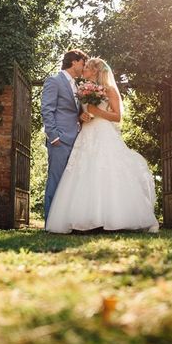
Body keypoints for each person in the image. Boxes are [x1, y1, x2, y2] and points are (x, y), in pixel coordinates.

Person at [45, 57, 159, 234]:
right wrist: (82, 117)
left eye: (88, 67)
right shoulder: (82, 90)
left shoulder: (110, 90)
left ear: (95, 71)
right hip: (86, 134)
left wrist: (97, 112)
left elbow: (117, 117)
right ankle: (87, 219)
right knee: (84, 173)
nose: (84, 69)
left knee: (106, 171)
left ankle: (113, 217)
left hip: (104, 133)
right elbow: (82, 113)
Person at [41, 49, 89, 221]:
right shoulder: (54, 81)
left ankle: (66, 220)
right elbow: (47, 110)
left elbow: (69, 111)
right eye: (83, 63)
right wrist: (53, 136)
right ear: (74, 62)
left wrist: (80, 117)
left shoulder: (76, 85)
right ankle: (50, 222)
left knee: (70, 183)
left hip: (75, 138)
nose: (84, 67)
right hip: (59, 141)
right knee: (56, 180)